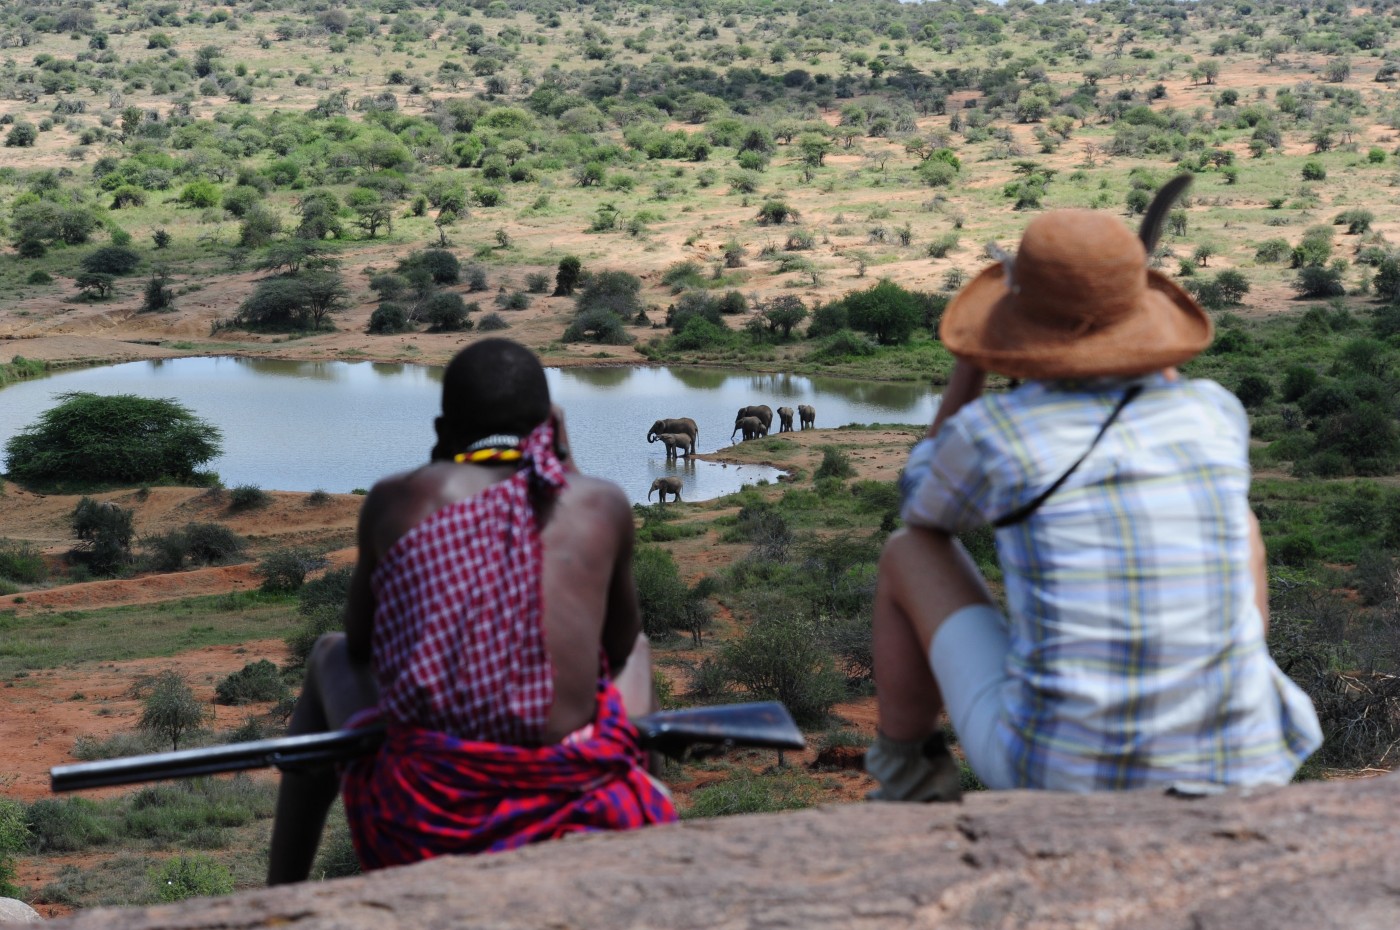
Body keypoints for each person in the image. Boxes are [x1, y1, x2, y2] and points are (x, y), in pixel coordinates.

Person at [867, 209, 1322, 799]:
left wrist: (971, 368)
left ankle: (908, 775)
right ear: (1144, 320)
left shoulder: (994, 432)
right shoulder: (1215, 412)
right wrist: (1143, 341)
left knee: (908, 549)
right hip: (1243, 759)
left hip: (1062, 773)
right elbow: (1160, 388)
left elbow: (920, 507)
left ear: (1014, 322)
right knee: (1243, 522)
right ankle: (1225, 698)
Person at [267, 338, 676, 884]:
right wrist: (565, 460)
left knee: (328, 654)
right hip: (571, 796)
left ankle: (281, 889)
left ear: (442, 431)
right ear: (550, 427)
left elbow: (360, 644)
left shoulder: (396, 500)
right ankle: (646, 837)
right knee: (640, 650)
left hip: (426, 816)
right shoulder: (601, 502)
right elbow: (619, 646)